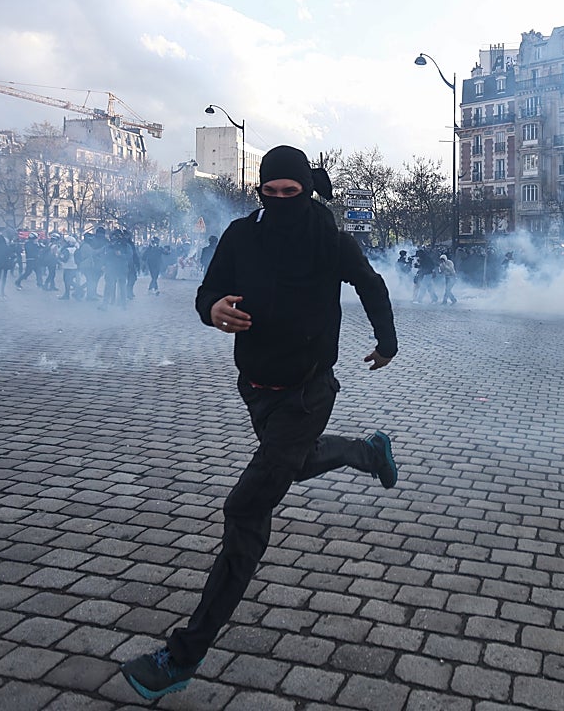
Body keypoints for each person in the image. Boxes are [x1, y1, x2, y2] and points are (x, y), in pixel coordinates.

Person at [119, 145, 400, 700]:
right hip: (256, 389)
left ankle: (181, 657)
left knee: (246, 508)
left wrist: (386, 342)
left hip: (308, 390)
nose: (278, 203)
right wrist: (213, 310)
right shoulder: (241, 236)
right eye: (268, 195)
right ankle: (369, 453)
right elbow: (206, 292)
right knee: (292, 466)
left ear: (306, 193)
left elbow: (371, 285)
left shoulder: (330, 240)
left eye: (289, 195)